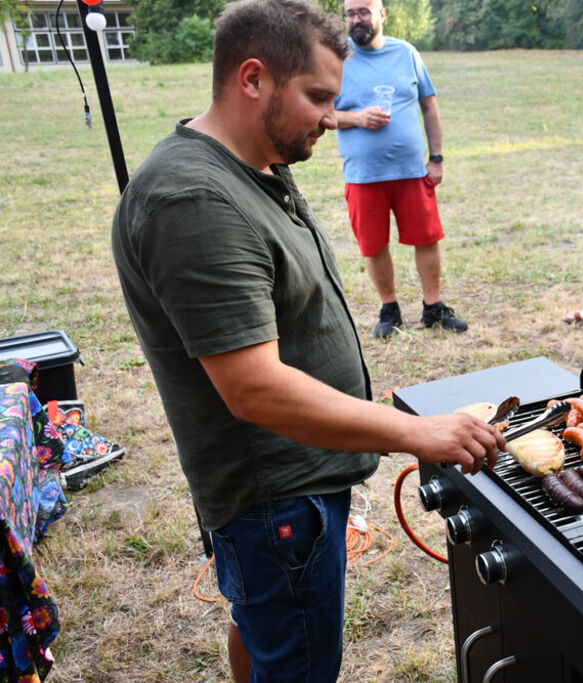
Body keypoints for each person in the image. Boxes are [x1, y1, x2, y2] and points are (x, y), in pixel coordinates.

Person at [110, 0, 504, 680]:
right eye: (319, 97)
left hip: (293, 485)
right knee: (296, 661)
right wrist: (415, 432)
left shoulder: (254, 161)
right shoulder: (194, 199)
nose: (332, 116)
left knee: (262, 627)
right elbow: (253, 387)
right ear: (253, 78)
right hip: (276, 503)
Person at [334, 0, 466, 339]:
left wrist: (436, 156)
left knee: (427, 238)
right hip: (363, 174)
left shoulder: (406, 53)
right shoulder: (335, 59)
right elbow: (319, 113)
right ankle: (389, 309)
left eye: (363, 12)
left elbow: (429, 106)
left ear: (382, 14)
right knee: (374, 245)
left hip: (411, 171)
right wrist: (356, 118)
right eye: (350, 13)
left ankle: (433, 307)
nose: (356, 19)